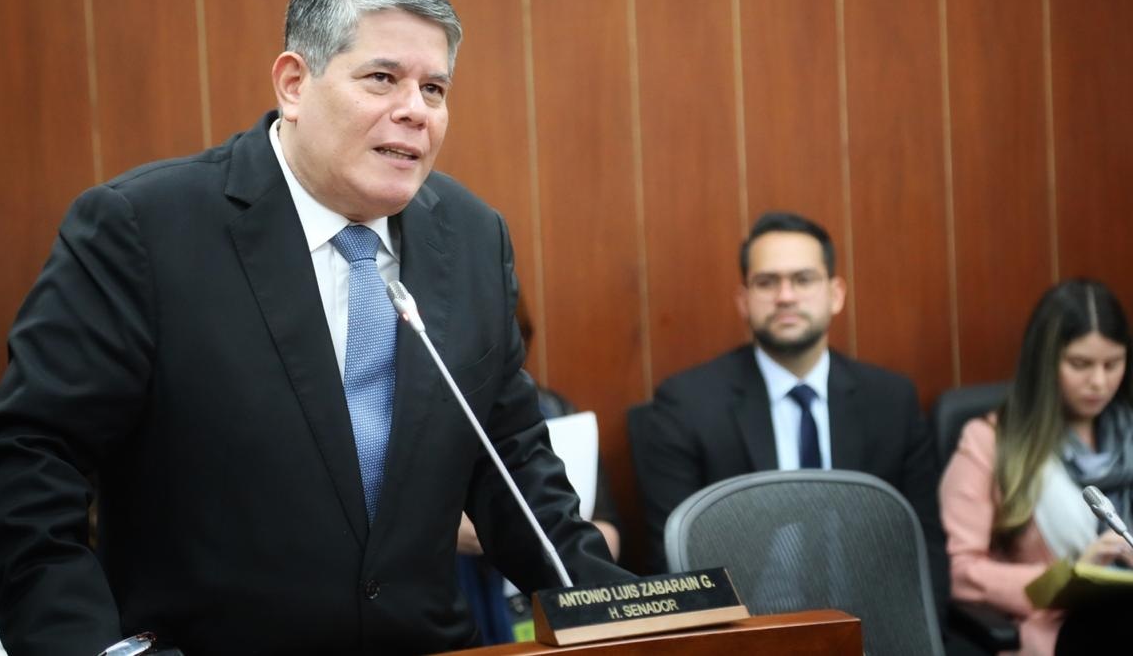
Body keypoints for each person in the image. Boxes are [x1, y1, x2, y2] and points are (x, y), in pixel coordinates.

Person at [0, 0, 627, 656]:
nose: (416, 110)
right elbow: (22, 458)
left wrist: (627, 616)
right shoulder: (145, 229)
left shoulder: (471, 236)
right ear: (294, 84)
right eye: (382, 78)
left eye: (434, 88)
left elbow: (513, 465)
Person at [632, 211, 949, 612]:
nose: (785, 296)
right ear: (744, 301)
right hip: (748, 631)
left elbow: (924, 548)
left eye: (803, 279)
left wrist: (922, 638)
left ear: (835, 294)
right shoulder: (687, 405)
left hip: (871, 625)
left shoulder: (890, 401)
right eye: (767, 282)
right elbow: (675, 565)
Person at [940, 279, 1133, 655]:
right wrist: (1066, 576)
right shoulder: (989, 442)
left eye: (1113, 364)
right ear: (1045, 363)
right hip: (1064, 629)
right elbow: (959, 571)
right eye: (1080, 364)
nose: (1099, 381)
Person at [455, 303, 622, 644]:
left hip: (548, 593)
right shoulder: (432, 420)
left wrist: (564, 538)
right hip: (461, 602)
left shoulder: (556, 411)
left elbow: (605, 530)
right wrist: (447, 531)